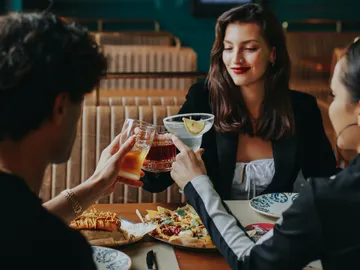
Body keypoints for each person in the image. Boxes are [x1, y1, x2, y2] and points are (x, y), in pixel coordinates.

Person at [169, 38, 360, 270]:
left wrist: (197, 183)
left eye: (333, 95)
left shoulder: (329, 198)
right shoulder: (203, 97)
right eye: (229, 48)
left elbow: (252, 262)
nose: (331, 106)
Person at [140, 3, 337, 199]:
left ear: (273, 54)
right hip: (211, 226)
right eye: (228, 48)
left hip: (277, 228)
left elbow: (325, 180)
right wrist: (144, 151)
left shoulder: (302, 108)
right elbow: (155, 182)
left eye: (250, 48)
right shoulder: (202, 100)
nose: (236, 59)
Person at [0, 12, 138, 266]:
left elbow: (21, 222)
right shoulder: (63, 252)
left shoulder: (18, 219)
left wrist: (97, 184)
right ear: (61, 107)